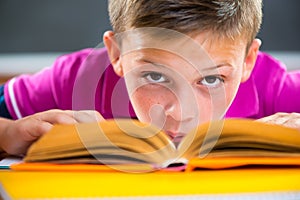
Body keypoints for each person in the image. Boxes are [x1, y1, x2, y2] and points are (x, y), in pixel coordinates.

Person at [1, 0, 300, 156]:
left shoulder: (271, 85)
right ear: (116, 54)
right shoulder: (77, 78)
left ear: (247, 61)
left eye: (211, 80)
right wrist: (8, 133)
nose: (182, 114)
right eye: (155, 75)